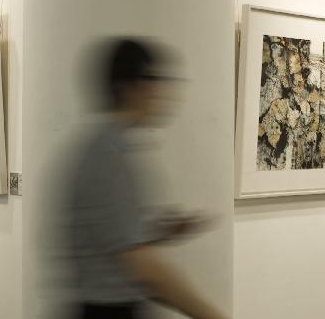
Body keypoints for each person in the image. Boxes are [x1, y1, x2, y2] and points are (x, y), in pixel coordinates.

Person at [62, 39, 228, 319]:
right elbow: (143, 265)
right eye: (154, 80)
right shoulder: (107, 154)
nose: (163, 92)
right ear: (128, 86)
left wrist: (159, 230)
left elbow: (114, 233)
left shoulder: (112, 146)